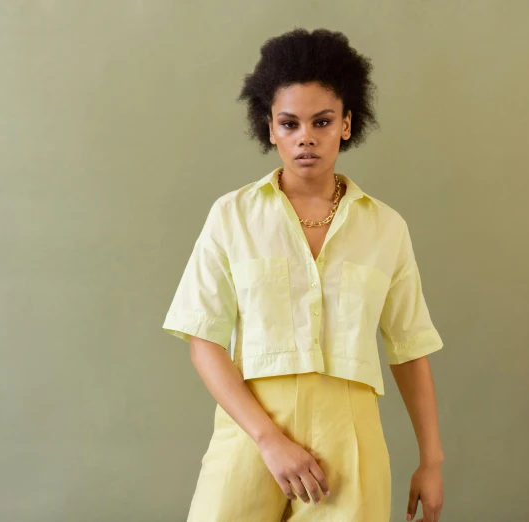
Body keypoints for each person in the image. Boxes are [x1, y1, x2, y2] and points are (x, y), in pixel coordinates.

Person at [162, 27, 445, 522]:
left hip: (351, 439)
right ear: (269, 128)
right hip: (252, 431)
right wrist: (269, 440)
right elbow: (203, 340)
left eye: (322, 121)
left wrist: (431, 460)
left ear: (347, 124)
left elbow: (409, 347)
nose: (306, 137)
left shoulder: (386, 228)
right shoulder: (232, 216)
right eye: (289, 124)